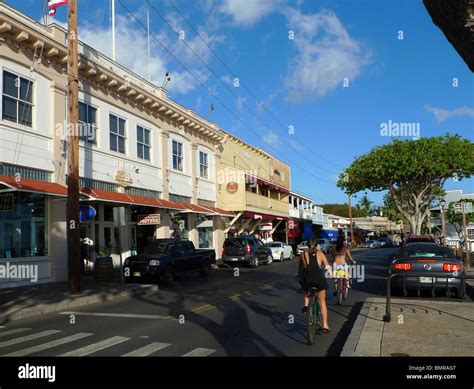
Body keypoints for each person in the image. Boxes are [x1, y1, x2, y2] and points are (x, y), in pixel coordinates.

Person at [299, 239, 332, 333]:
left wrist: (299, 276)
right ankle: (325, 325)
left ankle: (306, 304)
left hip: (307, 280)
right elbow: (327, 266)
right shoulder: (320, 253)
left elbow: (300, 268)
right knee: (322, 301)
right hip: (318, 280)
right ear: (316, 245)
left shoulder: (302, 254)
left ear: (307, 245)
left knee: (305, 286)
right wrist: (330, 273)